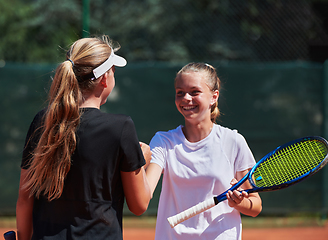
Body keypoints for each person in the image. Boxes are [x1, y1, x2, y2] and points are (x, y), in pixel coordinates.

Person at [16, 35, 152, 240]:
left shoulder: (42, 120)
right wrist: (142, 164)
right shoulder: (122, 127)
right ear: (105, 79)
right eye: (113, 72)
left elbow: (25, 198)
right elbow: (139, 205)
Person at [146, 62, 262, 240]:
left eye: (194, 92)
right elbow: (145, 192)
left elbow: (255, 206)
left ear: (213, 97)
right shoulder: (163, 141)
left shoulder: (233, 142)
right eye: (180, 92)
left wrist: (239, 203)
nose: (186, 98)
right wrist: (134, 163)